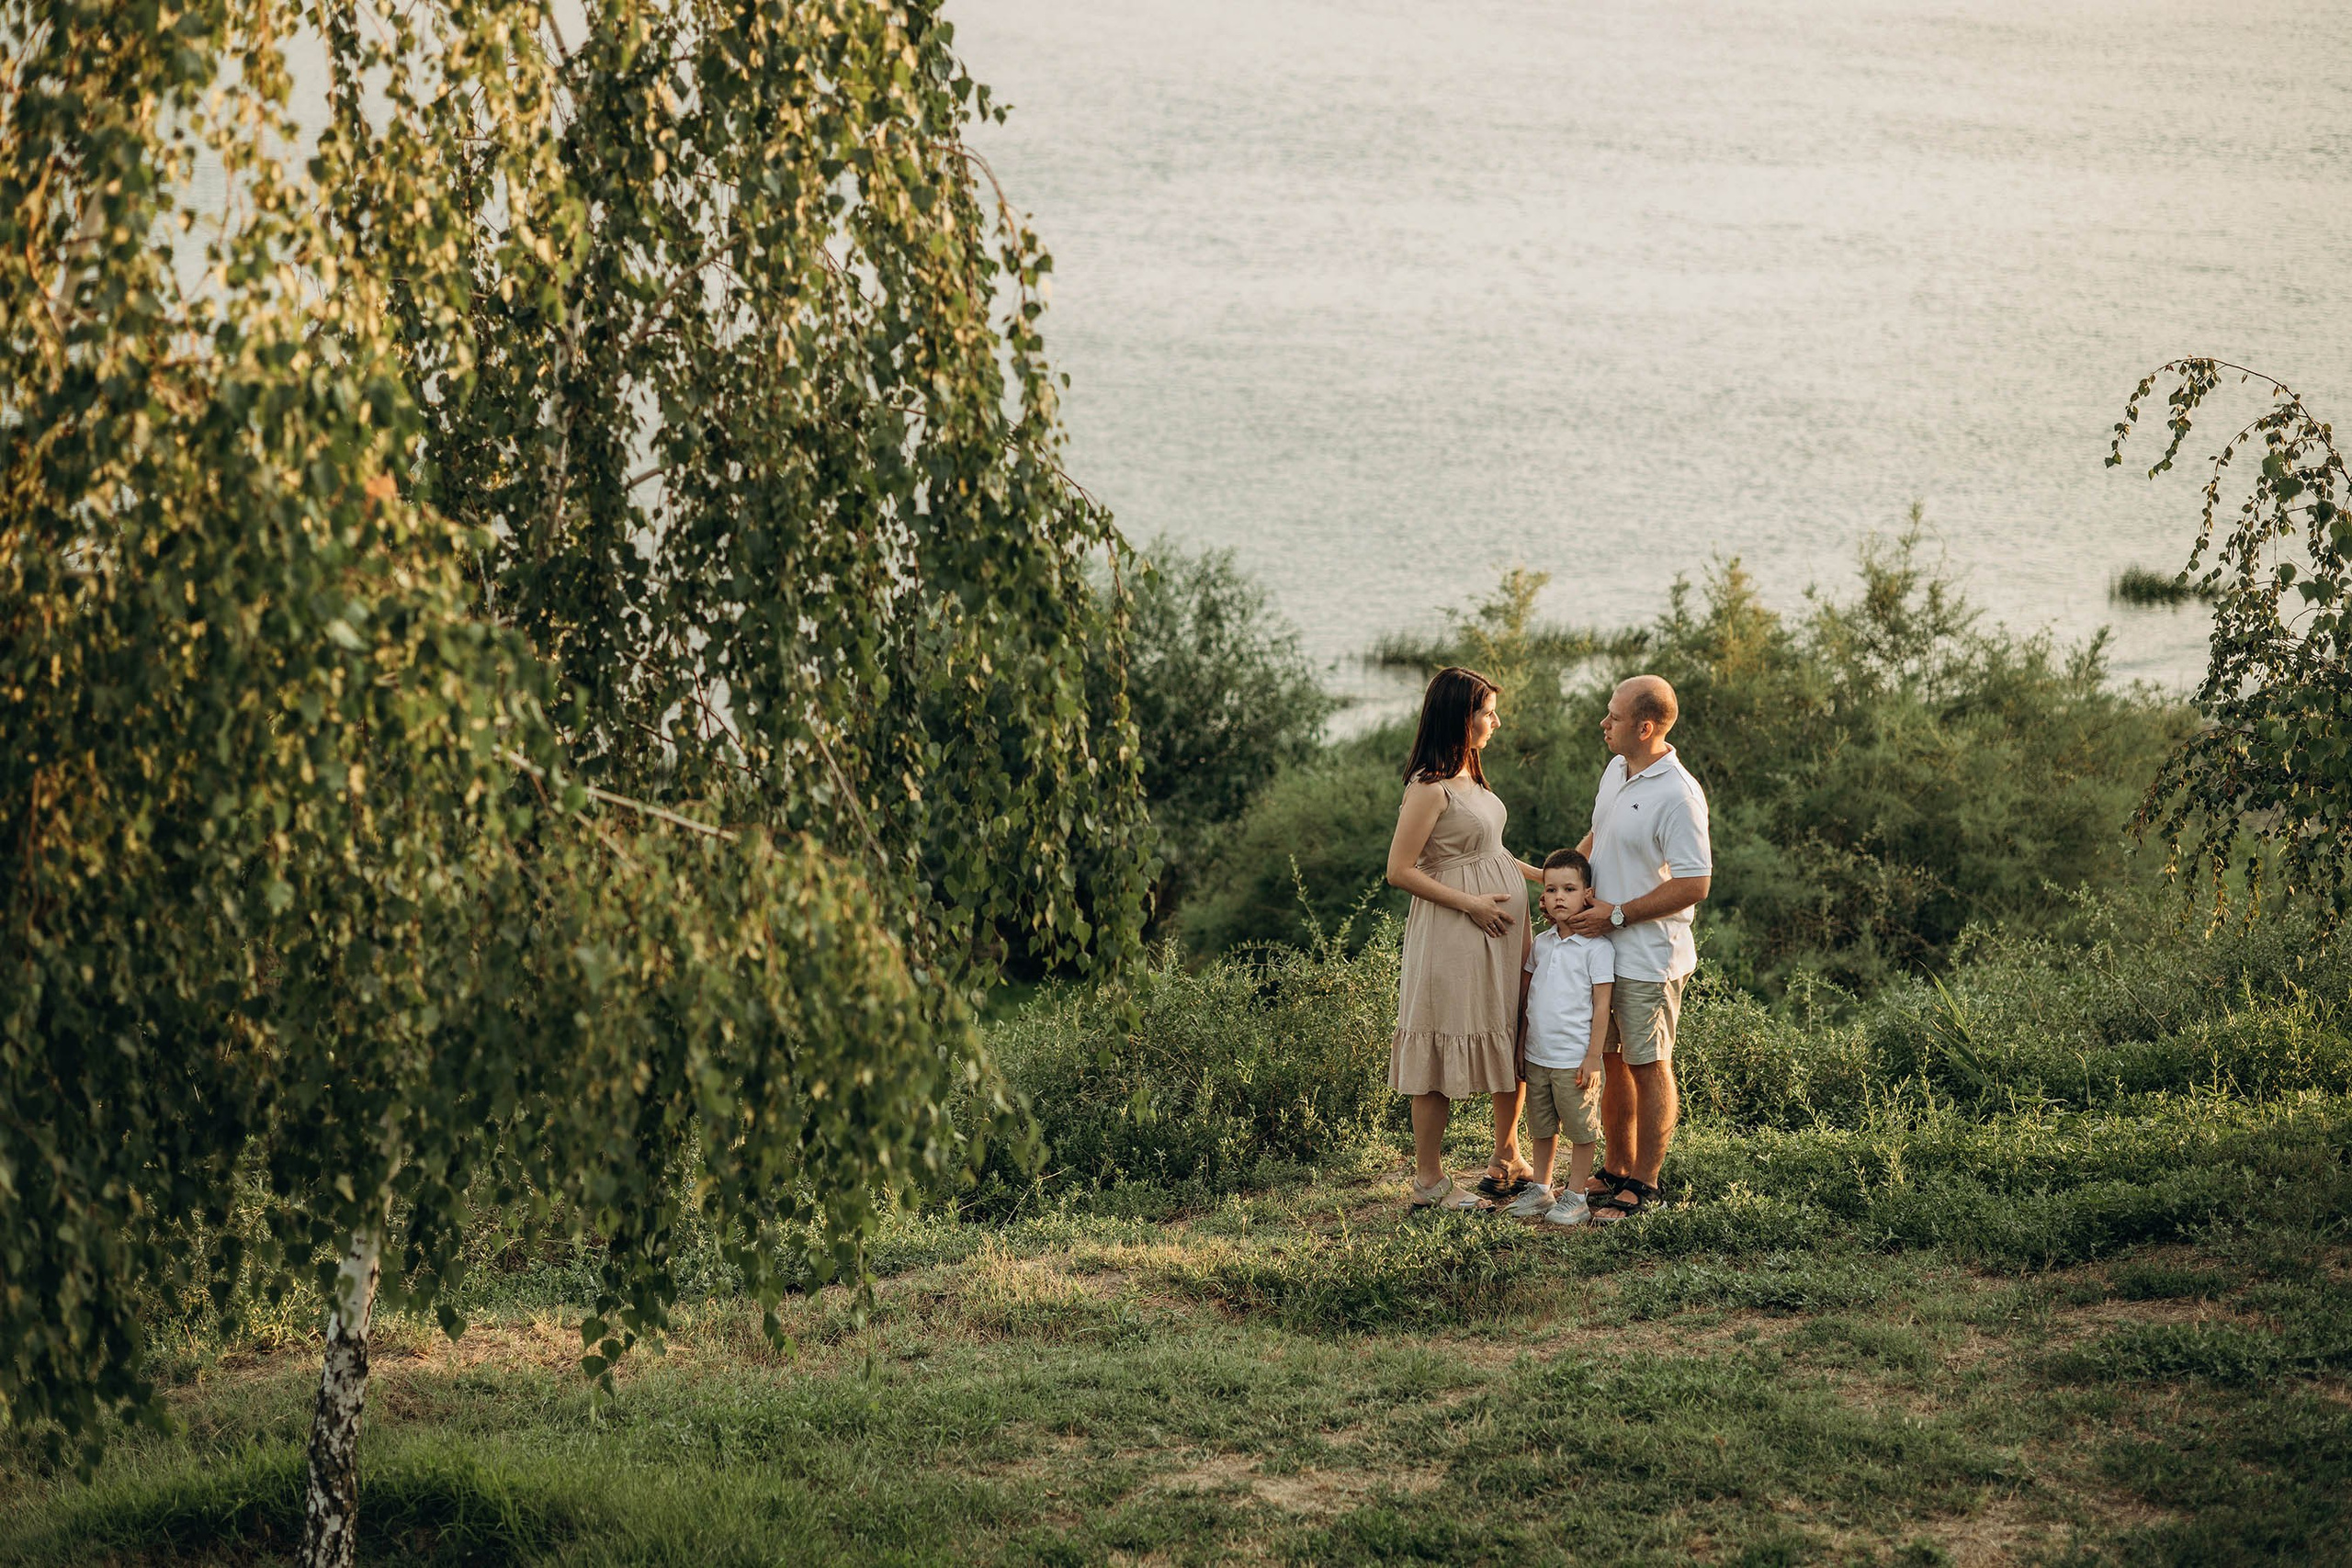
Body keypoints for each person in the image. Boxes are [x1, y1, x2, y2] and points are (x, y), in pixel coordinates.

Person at [1385, 666, 1546, 1210]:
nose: (1496, 722)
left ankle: (1507, 1156)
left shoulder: (1469, 774)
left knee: (1513, 1029)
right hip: (1454, 932)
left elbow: (1491, 852)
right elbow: (1399, 870)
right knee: (1440, 1042)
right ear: (1460, 716)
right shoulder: (1427, 788)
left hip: (1502, 934)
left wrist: (1544, 879)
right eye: (1487, 713)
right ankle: (1429, 1181)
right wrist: (1472, 904)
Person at [1565, 674, 1712, 1224]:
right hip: (1602, 952)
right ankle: (1616, 1167)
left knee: (1649, 1065)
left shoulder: (1679, 795)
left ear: (1645, 727)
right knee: (1611, 1061)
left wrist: (1618, 913)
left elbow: (1695, 883)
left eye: (1615, 716)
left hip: (1650, 957)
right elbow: (1598, 836)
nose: (1604, 723)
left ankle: (1646, 1185)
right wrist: (1565, 883)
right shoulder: (1616, 770)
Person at [1501, 849, 1615, 1227]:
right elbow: (1528, 1001)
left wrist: (1593, 1056)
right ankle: (1542, 1188)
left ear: (1588, 894)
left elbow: (1602, 1006)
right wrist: (1521, 1047)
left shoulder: (1598, 948)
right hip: (1538, 1055)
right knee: (1542, 1126)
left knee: (1581, 1129)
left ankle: (1577, 1196)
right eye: (1551, 890)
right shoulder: (1541, 943)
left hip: (1574, 1059)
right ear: (1544, 897)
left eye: (1569, 889)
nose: (1559, 897)